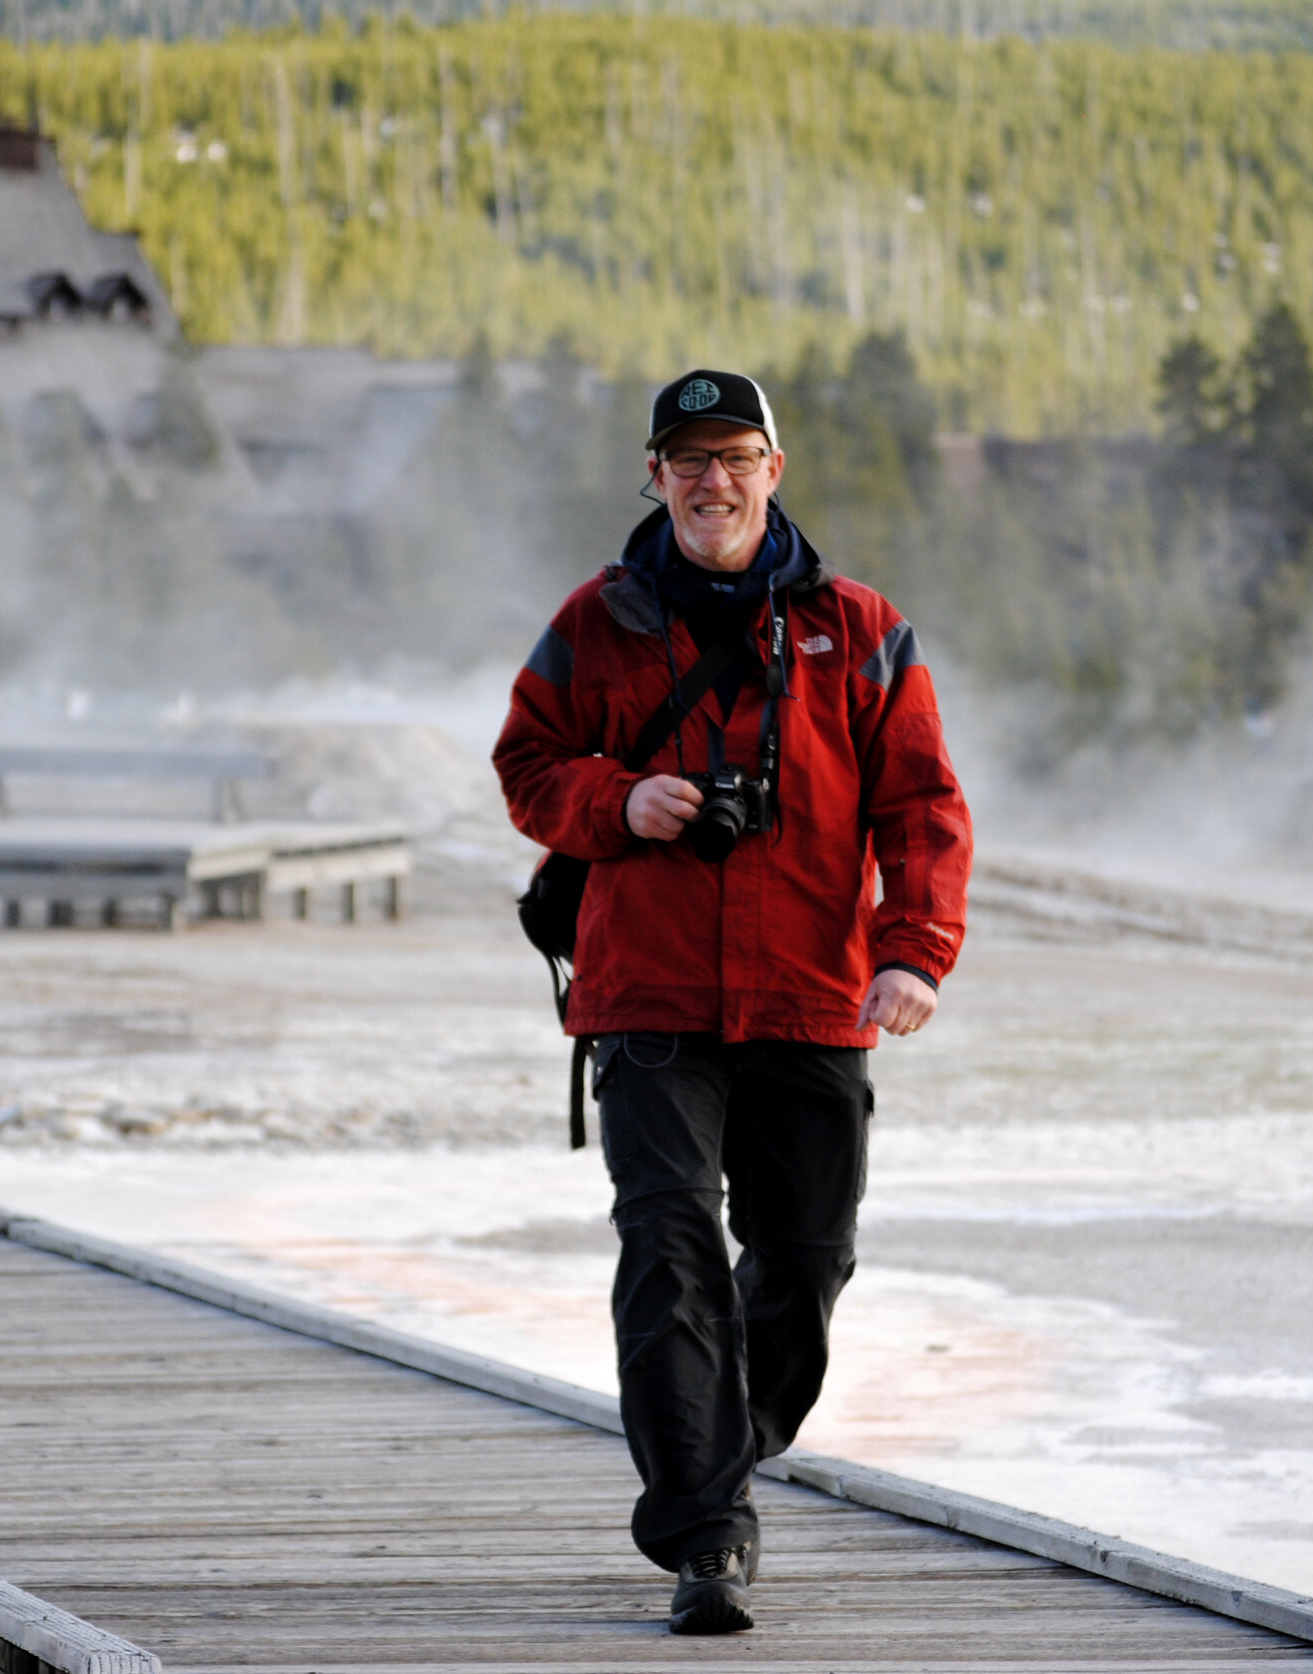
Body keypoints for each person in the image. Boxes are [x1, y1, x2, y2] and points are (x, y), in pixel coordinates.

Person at [492, 370, 972, 1635]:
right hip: (647, 993)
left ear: (774, 467)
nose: (713, 481)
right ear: (653, 476)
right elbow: (526, 763)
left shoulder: (860, 627)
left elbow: (920, 804)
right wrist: (619, 803)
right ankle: (708, 1534)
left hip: (813, 994)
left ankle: (719, 1451)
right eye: (686, 459)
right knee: (668, 1245)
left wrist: (914, 949)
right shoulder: (595, 623)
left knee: (807, 1260)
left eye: (735, 456)